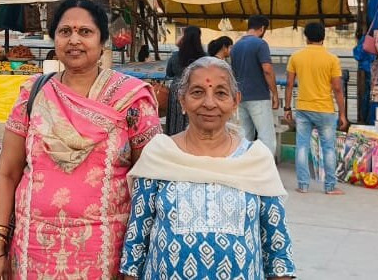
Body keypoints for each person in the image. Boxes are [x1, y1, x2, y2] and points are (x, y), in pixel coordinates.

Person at [0, 0, 162, 280]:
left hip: (105, 250)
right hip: (34, 248)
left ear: (103, 40)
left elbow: (148, 180)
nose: (74, 40)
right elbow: (7, 173)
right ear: (54, 39)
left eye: (85, 32)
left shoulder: (130, 98)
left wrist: (138, 255)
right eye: (65, 31)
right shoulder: (33, 93)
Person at [120, 57, 295, 280]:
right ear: (181, 100)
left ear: (235, 101)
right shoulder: (160, 154)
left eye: (221, 93)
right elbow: (135, 244)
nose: (209, 103)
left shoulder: (256, 159)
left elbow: (278, 250)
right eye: (197, 93)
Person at [284, 22, 346, 195]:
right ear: (323, 37)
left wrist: (287, 107)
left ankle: (303, 185)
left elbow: (289, 84)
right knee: (328, 148)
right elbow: (338, 88)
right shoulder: (332, 59)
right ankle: (330, 186)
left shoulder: (296, 57)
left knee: (302, 146)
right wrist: (342, 114)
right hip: (325, 109)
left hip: (303, 107)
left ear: (306, 37)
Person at [230, 16, 280, 154]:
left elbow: (233, 73)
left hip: (240, 97)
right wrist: (274, 93)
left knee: (243, 138)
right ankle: (265, 170)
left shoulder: (235, 46)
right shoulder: (260, 44)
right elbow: (267, 70)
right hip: (259, 97)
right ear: (262, 28)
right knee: (267, 138)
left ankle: (241, 168)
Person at [164, 26, 205, 135]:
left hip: (177, 89)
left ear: (184, 37)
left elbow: (169, 73)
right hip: (197, 89)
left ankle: (175, 140)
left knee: (175, 117)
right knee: (194, 115)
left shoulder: (176, 56)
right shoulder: (204, 57)